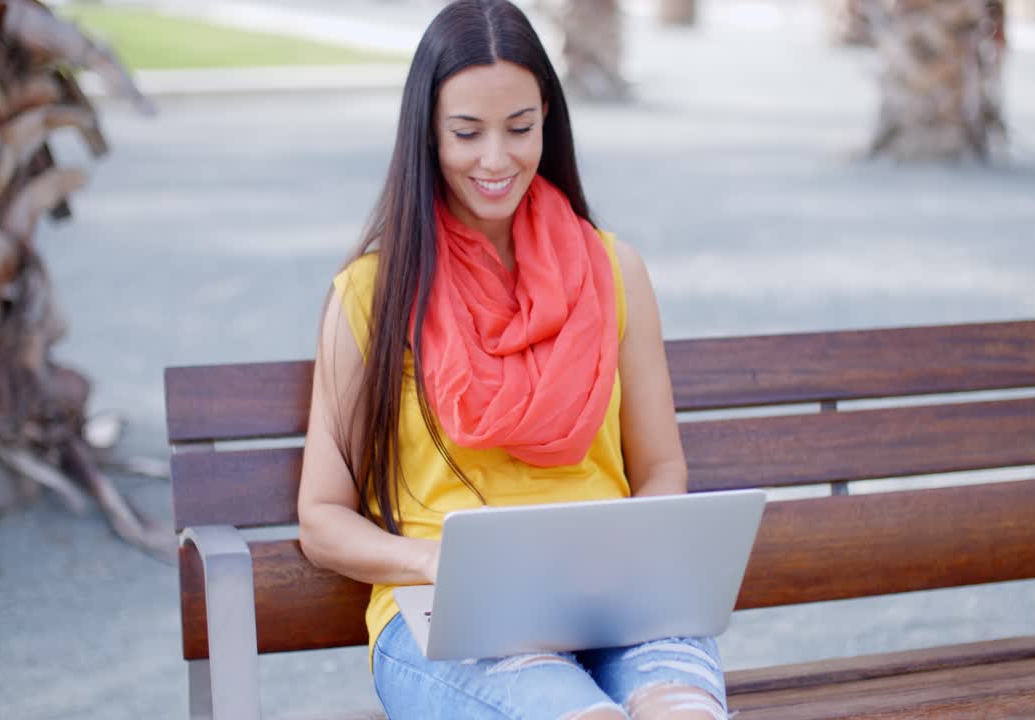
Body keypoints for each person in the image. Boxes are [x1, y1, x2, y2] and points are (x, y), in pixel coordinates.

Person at [297, 2, 727, 718]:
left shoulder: (614, 271)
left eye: (520, 128)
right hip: (449, 617)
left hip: (614, 604)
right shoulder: (371, 293)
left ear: (548, 122)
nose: (496, 159)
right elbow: (320, 517)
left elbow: (660, 467)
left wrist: (634, 560)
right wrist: (435, 564)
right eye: (467, 132)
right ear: (427, 133)